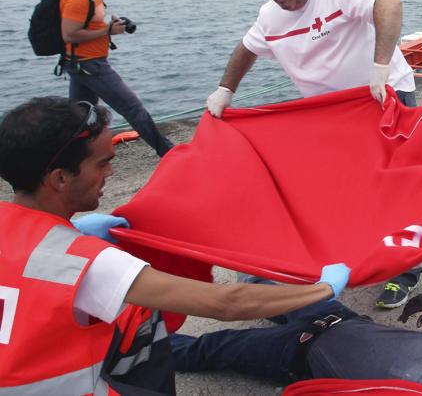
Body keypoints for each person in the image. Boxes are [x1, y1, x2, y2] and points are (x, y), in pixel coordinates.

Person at [0, 97, 350, 396]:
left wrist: (73, 228)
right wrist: (321, 289)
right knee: (141, 314)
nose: (110, 173)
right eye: (103, 163)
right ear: (60, 178)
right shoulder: (90, 264)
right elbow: (225, 303)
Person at [202, 0, 419, 309]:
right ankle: (364, 253)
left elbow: (390, 4)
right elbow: (247, 48)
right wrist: (225, 90)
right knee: (345, 189)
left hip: (385, 97)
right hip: (331, 115)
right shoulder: (270, 16)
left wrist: (380, 67)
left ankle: (406, 273)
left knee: (398, 186)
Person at [170, 287, 422, 395]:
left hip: (294, 351)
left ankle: (133, 346)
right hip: (337, 317)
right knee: (264, 280)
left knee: (211, 348)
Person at [58, 0, 174, 157]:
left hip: (82, 65)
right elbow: (69, 35)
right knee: (133, 108)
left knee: (79, 118)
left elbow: (88, 25)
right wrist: (108, 30)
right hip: (90, 65)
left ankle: (67, 158)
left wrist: (110, 26)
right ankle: (168, 152)